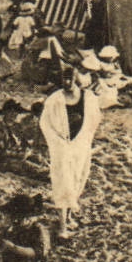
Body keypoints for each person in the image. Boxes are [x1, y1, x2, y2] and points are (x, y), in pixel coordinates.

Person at [41, 65, 103, 240]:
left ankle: (68, 217)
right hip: (61, 147)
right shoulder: (54, 100)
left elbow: (94, 119)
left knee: (77, 178)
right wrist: (58, 142)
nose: (67, 82)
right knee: (63, 182)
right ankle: (62, 227)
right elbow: (45, 124)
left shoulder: (88, 98)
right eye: (64, 79)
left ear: (77, 79)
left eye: (70, 79)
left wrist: (85, 139)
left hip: (80, 145)